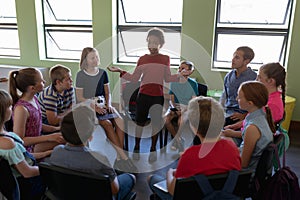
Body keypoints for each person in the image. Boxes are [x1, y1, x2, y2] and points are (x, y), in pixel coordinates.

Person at [108, 27, 185, 162]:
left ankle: (153, 149)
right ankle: (137, 146)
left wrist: (181, 75)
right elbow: (133, 78)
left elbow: (168, 78)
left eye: (155, 43)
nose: (152, 46)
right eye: (150, 42)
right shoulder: (142, 59)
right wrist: (120, 71)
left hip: (157, 97)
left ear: (161, 43)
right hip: (143, 96)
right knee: (140, 123)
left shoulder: (165, 58)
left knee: (156, 124)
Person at [147, 96, 241, 200]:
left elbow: (173, 190)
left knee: (151, 179)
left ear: (194, 128)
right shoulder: (232, 147)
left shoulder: (190, 155)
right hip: (224, 195)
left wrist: (170, 172)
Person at [47, 104, 136, 200]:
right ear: (90, 137)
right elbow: (114, 189)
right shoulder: (100, 159)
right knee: (131, 177)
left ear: (63, 135)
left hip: (68, 193)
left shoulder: (56, 152)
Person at [75, 47, 136, 171]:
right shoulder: (80, 75)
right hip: (89, 105)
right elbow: (80, 97)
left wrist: (109, 105)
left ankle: (119, 157)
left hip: (103, 103)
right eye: (92, 58)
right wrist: (94, 107)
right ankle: (124, 158)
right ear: (85, 60)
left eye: (97, 57)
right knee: (107, 124)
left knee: (120, 121)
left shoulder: (103, 73)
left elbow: (107, 93)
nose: (96, 59)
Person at [222, 63, 286, 145]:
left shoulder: (272, 105)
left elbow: (257, 133)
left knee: (217, 142)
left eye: (259, 77)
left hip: (251, 140)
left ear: (270, 81)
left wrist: (232, 133)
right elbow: (250, 119)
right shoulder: (267, 98)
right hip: (245, 131)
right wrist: (235, 126)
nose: (256, 80)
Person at [9, 67, 65, 158]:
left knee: (70, 136)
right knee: (68, 141)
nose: (45, 82)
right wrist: (49, 137)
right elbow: (20, 140)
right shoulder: (21, 109)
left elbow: (36, 124)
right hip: (28, 149)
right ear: (32, 88)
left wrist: (55, 129)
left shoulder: (34, 98)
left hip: (38, 140)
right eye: (42, 81)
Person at [0, 89, 45, 200]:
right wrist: (49, 171)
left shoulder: (7, 137)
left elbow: (23, 157)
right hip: (27, 186)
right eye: (9, 106)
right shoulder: (7, 143)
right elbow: (27, 172)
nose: (12, 109)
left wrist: (47, 153)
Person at [235, 81, 274, 170]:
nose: (237, 99)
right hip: (251, 165)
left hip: (246, 173)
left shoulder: (252, 128)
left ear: (250, 103)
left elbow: (243, 164)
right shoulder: (262, 115)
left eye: (239, 97)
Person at [164, 60, 199, 152]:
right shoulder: (174, 82)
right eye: (179, 68)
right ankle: (178, 140)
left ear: (190, 71)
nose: (180, 70)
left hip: (187, 107)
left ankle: (176, 141)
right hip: (175, 106)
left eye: (183, 68)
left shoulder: (193, 84)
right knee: (166, 120)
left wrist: (183, 110)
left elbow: (193, 101)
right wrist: (174, 107)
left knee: (181, 121)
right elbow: (171, 99)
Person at [219, 46, 257, 126]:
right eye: (233, 56)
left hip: (241, 116)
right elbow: (224, 97)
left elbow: (257, 103)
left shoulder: (254, 78)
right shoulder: (228, 76)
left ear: (246, 61)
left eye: (237, 57)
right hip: (227, 113)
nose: (232, 60)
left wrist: (244, 116)